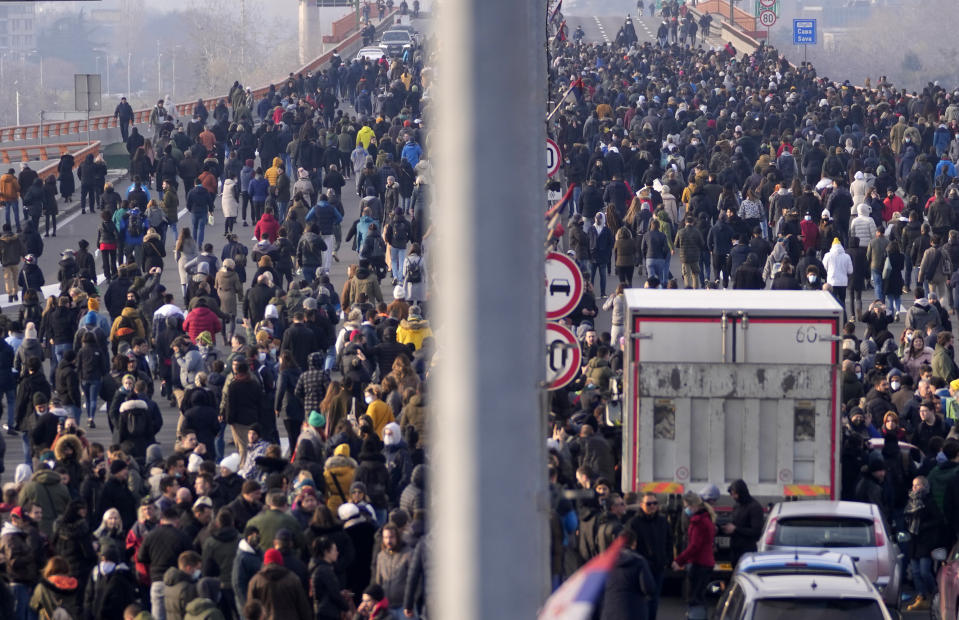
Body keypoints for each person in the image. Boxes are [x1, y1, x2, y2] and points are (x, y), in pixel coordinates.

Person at [627, 492, 672, 620]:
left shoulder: (663, 521)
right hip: (641, 568)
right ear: (641, 505)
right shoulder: (634, 523)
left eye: (655, 503)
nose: (652, 506)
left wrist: (667, 559)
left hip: (658, 567)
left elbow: (669, 541)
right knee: (642, 600)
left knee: (654, 600)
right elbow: (629, 545)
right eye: (649, 504)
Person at [671, 491, 715, 618]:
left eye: (686, 506)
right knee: (700, 596)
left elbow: (694, 546)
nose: (686, 510)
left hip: (699, 563)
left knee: (695, 597)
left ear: (693, 505)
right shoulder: (707, 518)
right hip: (707, 562)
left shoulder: (698, 522)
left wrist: (679, 560)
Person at [723, 480, 763, 568]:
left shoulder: (754, 507)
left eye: (735, 494)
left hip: (747, 551)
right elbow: (735, 523)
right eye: (732, 494)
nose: (733, 497)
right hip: (735, 549)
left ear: (742, 492)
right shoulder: (737, 505)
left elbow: (756, 531)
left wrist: (736, 529)